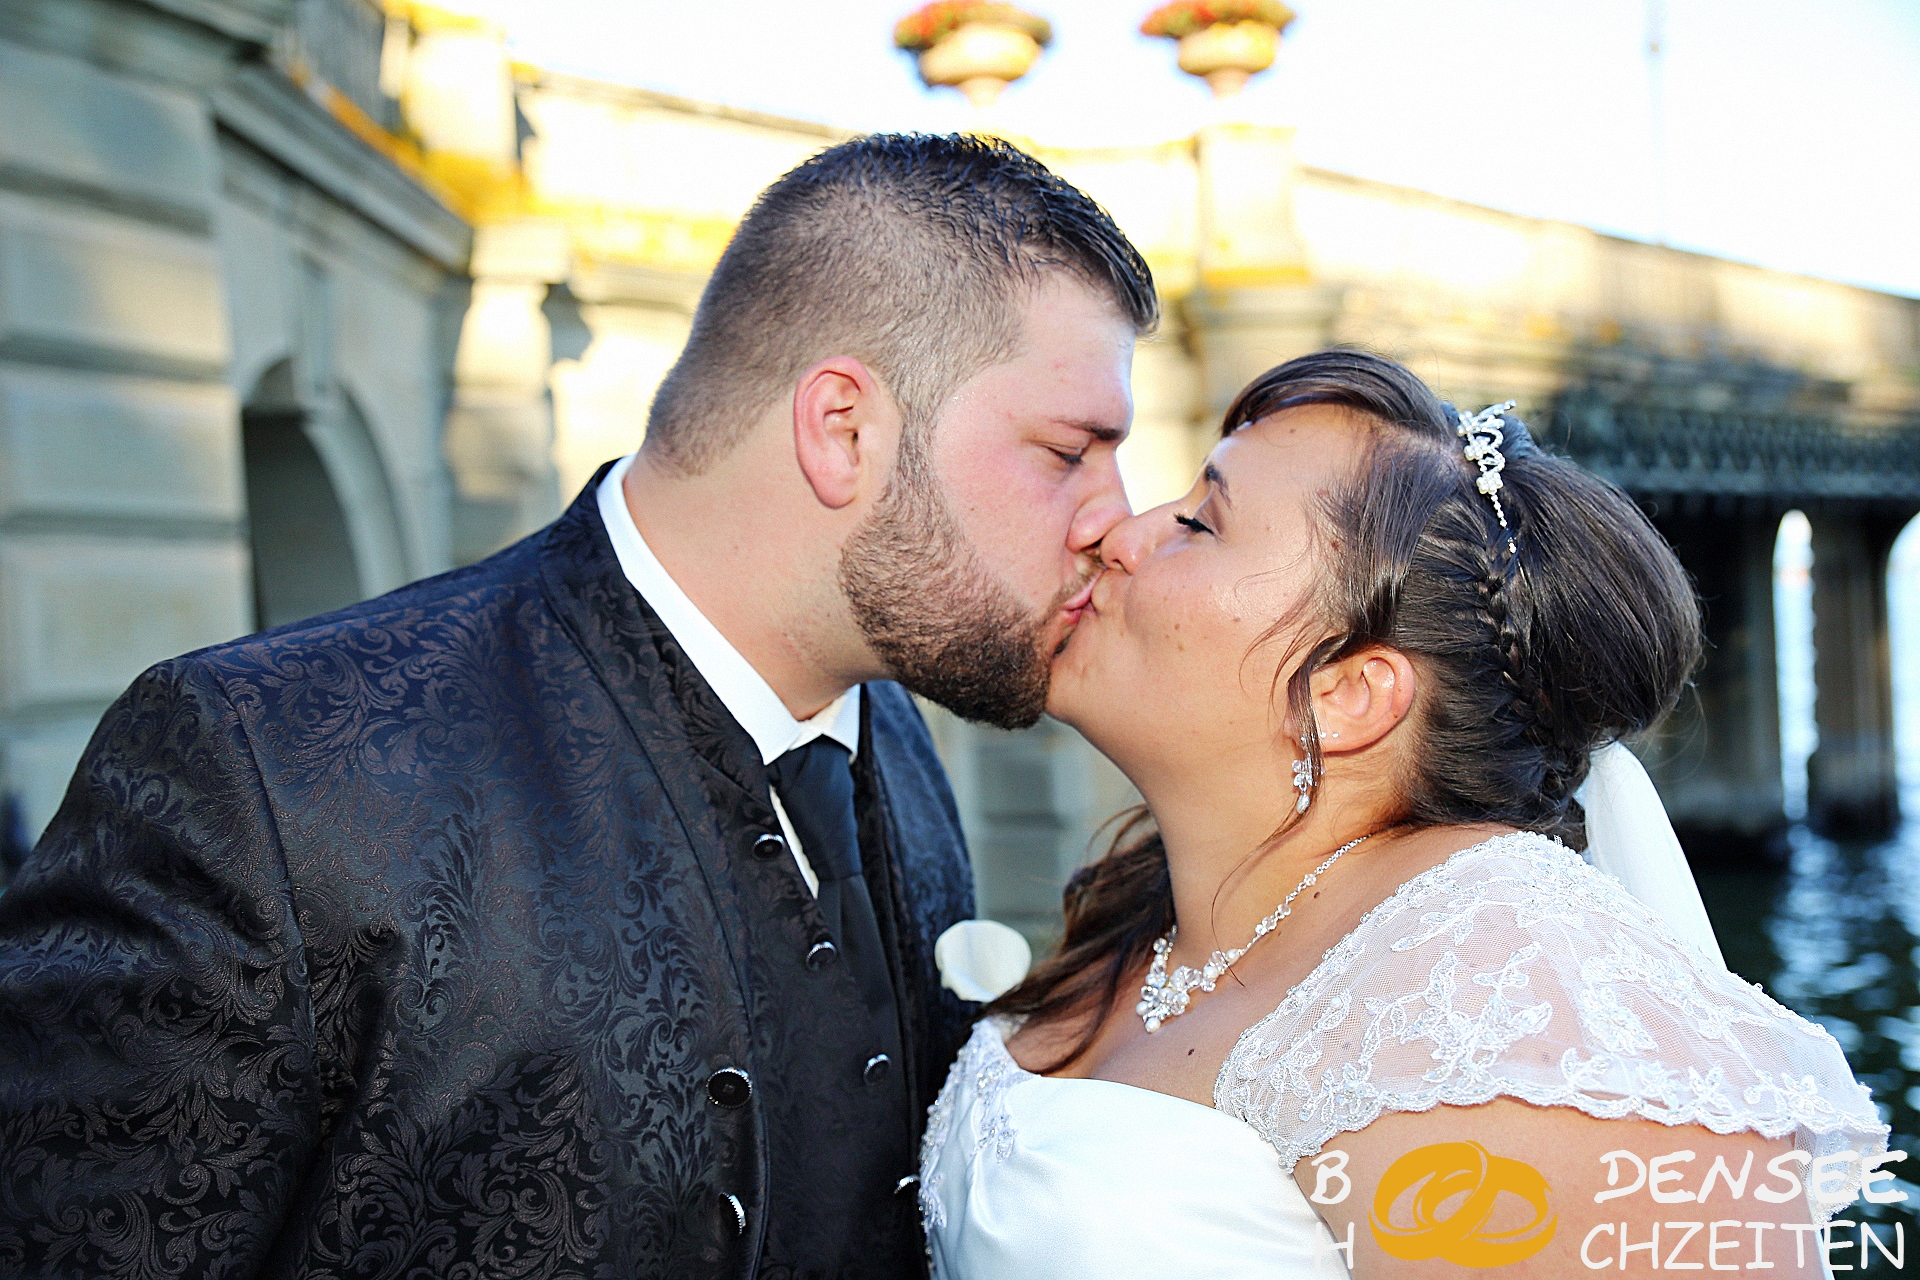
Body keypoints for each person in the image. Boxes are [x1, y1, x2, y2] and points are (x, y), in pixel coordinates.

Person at [0, 134, 1156, 1279]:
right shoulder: (267, 772)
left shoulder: (897, 731)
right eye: (1070, 451)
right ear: (842, 427)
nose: (1120, 516)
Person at [919, 350, 1889, 1278]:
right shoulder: (1153, 918)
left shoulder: (1504, 990)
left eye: (1201, 522)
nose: (1118, 531)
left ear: (1348, 694)